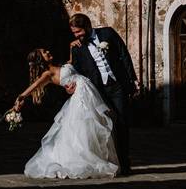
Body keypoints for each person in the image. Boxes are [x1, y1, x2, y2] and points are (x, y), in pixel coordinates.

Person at [14, 48, 118, 179]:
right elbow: (34, 86)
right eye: (44, 52)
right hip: (80, 97)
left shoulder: (60, 65)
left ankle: (94, 154)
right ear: (41, 59)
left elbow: (71, 62)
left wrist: (71, 46)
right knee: (84, 126)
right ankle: (84, 158)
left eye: (47, 50)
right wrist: (20, 98)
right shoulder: (48, 74)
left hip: (87, 91)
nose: (48, 52)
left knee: (93, 124)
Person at [67, 13, 137, 175]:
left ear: (87, 27)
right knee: (104, 126)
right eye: (74, 33)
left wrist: (131, 79)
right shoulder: (77, 48)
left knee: (121, 122)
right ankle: (110, 163)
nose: (77, 35)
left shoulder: (107, 34)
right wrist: (73, 85)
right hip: (98, 90)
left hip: (117, 85)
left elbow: (124, 54)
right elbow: (77, 71)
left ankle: (125, 163)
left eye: (78, 32)